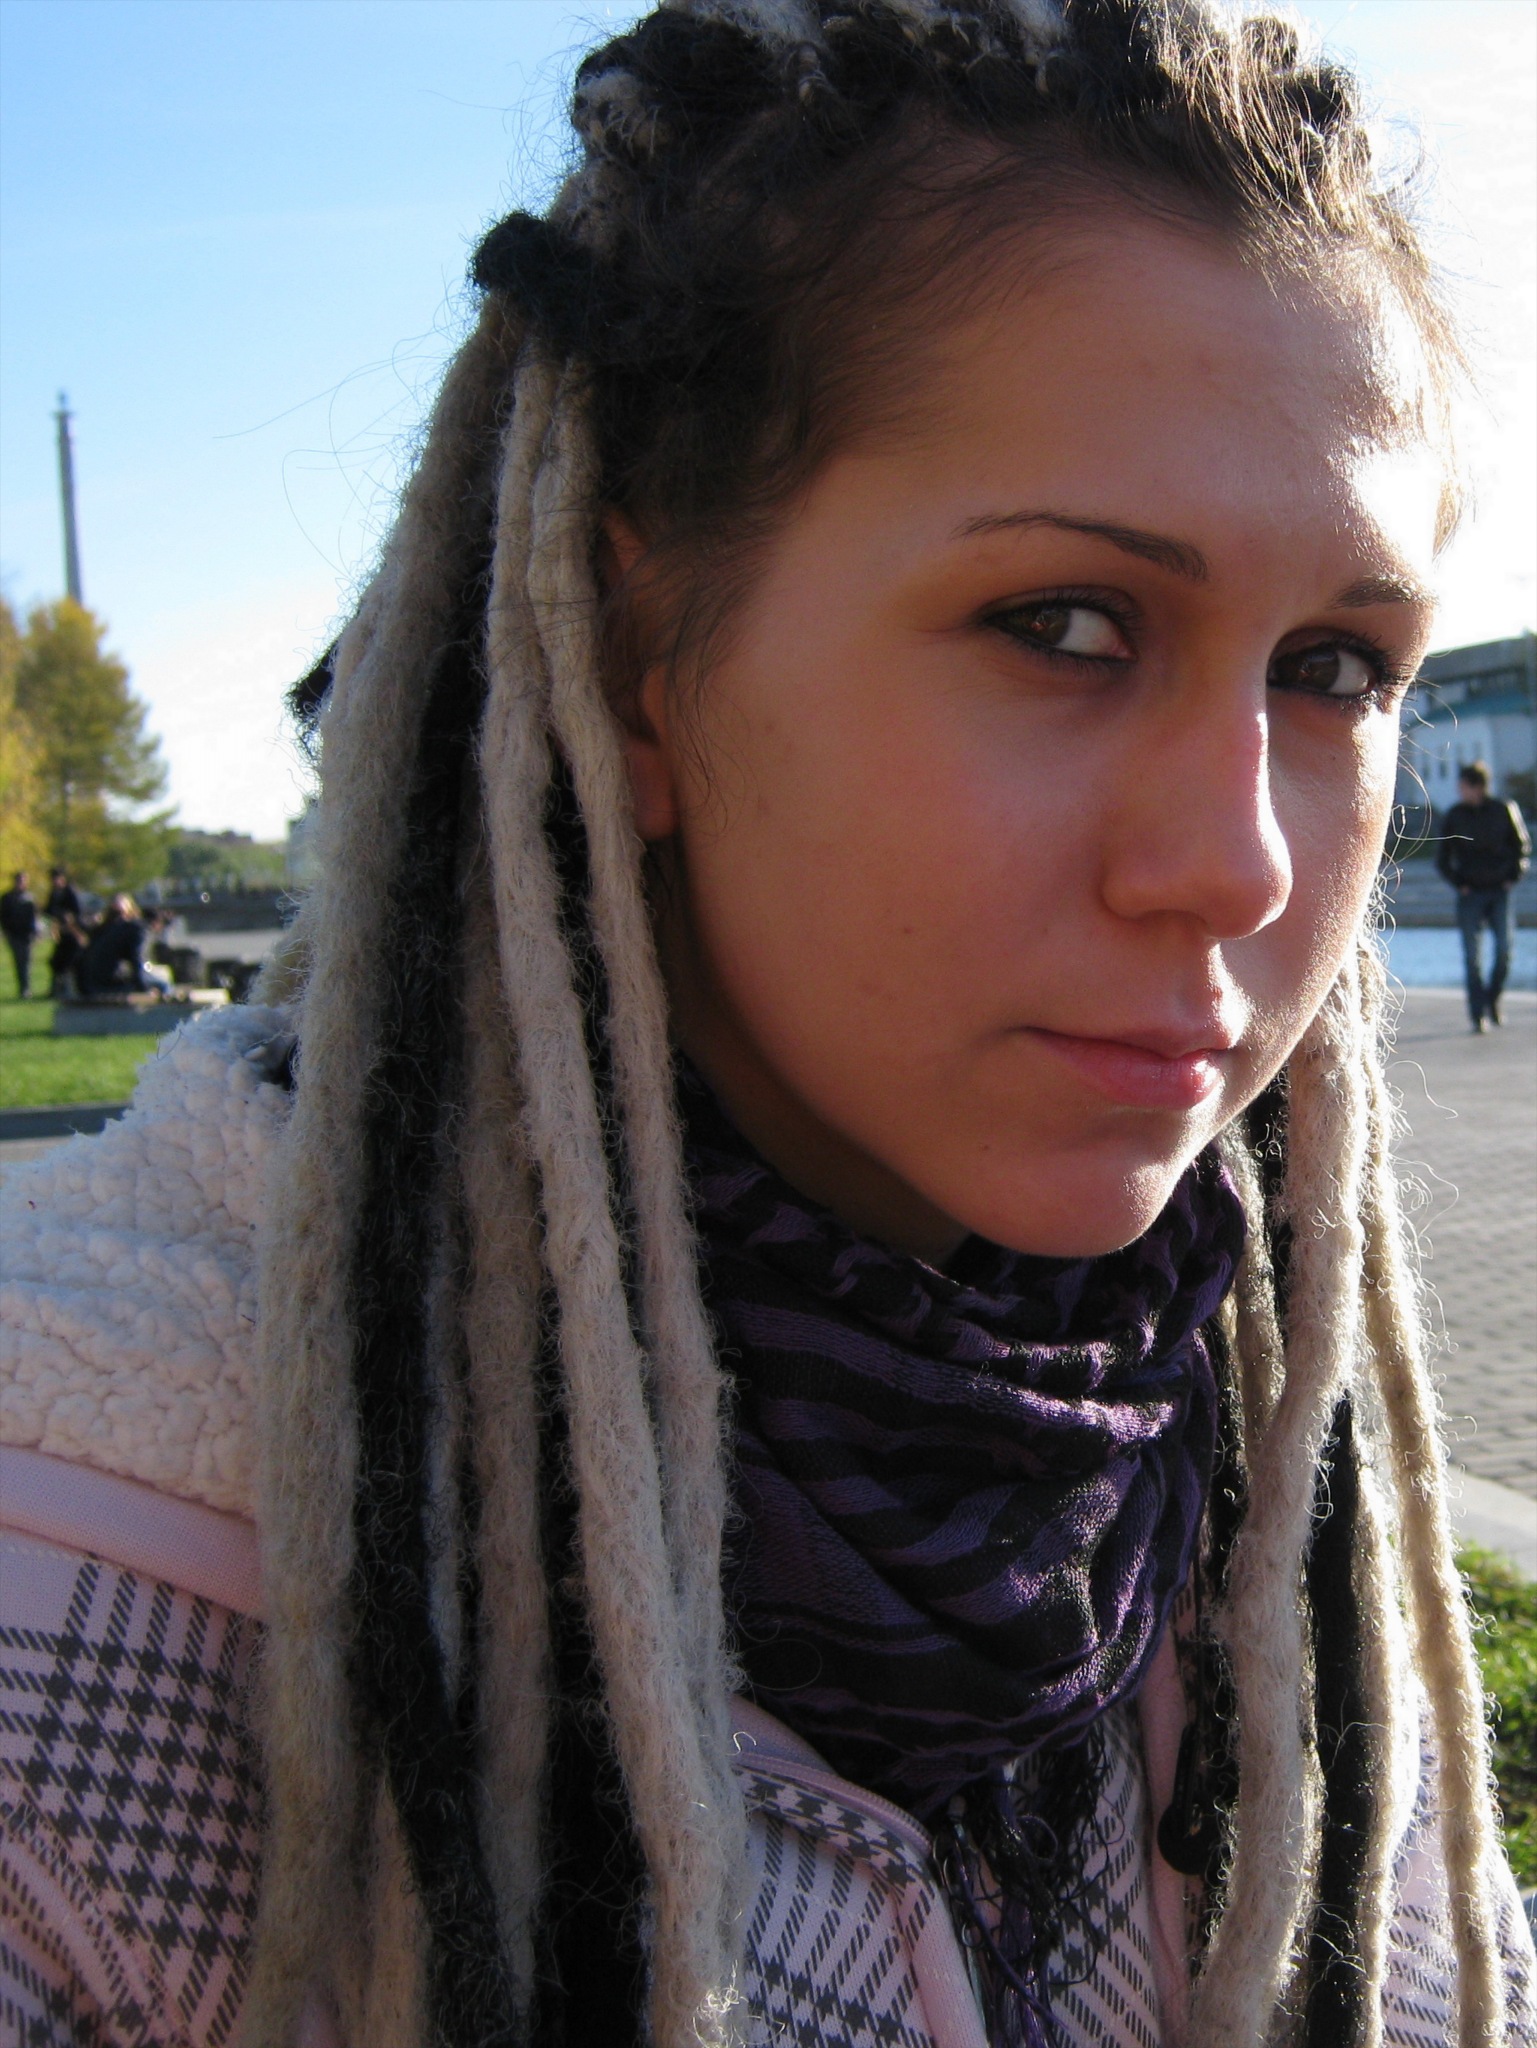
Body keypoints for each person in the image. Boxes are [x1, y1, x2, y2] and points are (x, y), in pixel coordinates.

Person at [1, 5, 1534, 2046]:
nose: (1237, 863)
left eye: (1332, 668)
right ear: (640, 658)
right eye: (1065, 626)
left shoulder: (1257, 1459)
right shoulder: (73, 1645)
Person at [1436, 760, 1531, 1031]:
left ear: (1477, 787)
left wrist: (1513, 876)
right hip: (1470, 893)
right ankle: (1477, 1014)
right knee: (1472, 957)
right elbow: (1442, 858)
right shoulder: (1455, 815)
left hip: (1499, 891)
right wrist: (1459, 883)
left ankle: (1493, 999)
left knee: (1504, 952)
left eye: (1463, 786)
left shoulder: (1504, 810)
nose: (1459, 791)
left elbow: (1522, 847)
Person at [74, 890, 150, 996]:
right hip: (110, 984)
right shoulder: (134, 928)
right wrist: (143, 988)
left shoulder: (100, 929)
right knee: (162, 985)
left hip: (87, 985)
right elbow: (136, 958)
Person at [0, 870, 38, 997]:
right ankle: (23, 988)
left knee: (26, 961)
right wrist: (6, 931)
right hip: (13, 934)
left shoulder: (30, 898)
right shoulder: (7, 898)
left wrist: (35, 932)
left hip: (27, 934)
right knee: (18, 961)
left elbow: (34, 917)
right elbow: (3, 916)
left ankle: (26, 988)